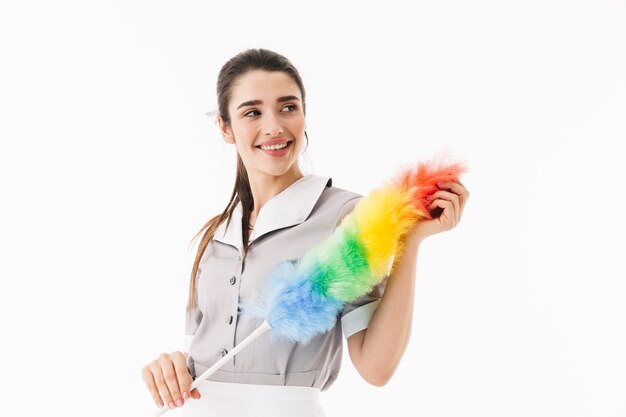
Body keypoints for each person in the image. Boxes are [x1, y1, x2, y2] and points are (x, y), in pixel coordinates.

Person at [141, 48, 470, 417]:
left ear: (304, 115)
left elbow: (376, 369)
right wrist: (168, 368)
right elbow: (195, 359)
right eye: (252, 112)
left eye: (288, 107)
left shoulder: (348, 218)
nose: (274, 126)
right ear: (225, 128)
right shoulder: (215, 233)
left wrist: (409, 241)